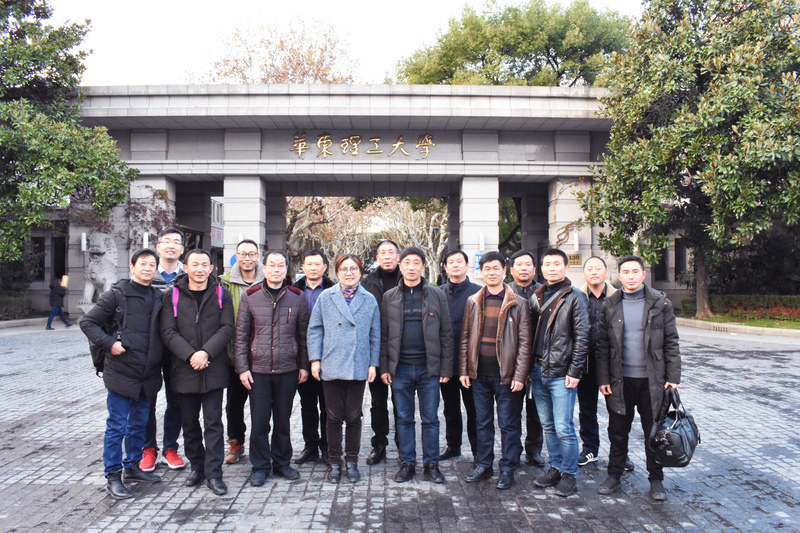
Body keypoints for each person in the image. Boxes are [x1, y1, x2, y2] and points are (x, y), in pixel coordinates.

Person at [596, 255, 681, 501]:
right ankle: (614, 475)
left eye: (635, 272)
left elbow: (671, 342)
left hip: (652, 381)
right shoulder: (610, 305)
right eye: (626, 272)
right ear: (619, 276)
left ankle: (656, 480)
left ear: (644, 274)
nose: (631, 276)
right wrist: (603, 379)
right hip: (619, 380)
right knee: (618, 431)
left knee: (653, 432)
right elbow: (602, 346)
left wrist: (673, 376)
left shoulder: (660, 303)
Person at [80, 249, 164, 500]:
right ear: (132, 266)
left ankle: (133, 466)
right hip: (121, 370)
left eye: (152, 265)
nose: (147, 268)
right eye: (143, 264)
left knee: (139, 424)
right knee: (117, 426)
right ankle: (113, 475)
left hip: (148, 372)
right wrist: (109, 344)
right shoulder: (116, 295)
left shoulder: (159, 297)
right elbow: (87, 323)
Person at [160, 249, 235, 496]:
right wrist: (191, 355)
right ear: (185, 268)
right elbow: (168, 332)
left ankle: (214, 474)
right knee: (189, 423)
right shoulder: (172, 295)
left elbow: (227, 327)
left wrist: (206, 353)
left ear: (211, 268)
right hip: (183, 369)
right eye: (195, 264)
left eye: (204, 264)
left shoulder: (221, 293)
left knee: (213, 423)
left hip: (213, 368)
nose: (200, 269)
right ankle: (197, 467)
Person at [234, 250, 310, 486]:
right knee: (259, 421)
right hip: (258, 370)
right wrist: (242, 368)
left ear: (286, 269)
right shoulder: (250, 296)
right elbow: (241, 336)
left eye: (281, 266)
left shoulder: (297, 297)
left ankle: (282, 462)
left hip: (288, 369)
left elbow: (304, 335)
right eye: (272, 265)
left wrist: (304, 366)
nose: (276, 270)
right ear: (264, 268)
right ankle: (260, 466)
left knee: (283, 420)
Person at [380, 247, 453, 484]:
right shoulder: (389, 296)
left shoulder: (437, 295)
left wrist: (445, 368)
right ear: (400, 266)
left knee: (430, 418)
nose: (411, 267)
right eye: (407, 263)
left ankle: (431, 464)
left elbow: (446, 333)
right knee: (403, 418)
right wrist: (385, 367)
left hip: (428, 369)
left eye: (416, 263)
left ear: (423, 266)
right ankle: (407, 463)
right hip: (400, 368)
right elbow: (384, 334)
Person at [460, 252, 532, 490]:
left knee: (509, 424)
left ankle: (508, 468)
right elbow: (465, 338)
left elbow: (525, 343)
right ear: (481, 272)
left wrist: (520, 375)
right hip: (479, 375)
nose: (491, 273)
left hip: (506, 376)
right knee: (482, 422)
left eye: (496, 268)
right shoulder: (473, 301)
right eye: (487, 269)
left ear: (504, 271)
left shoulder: (518, 303)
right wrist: (464, 370)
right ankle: (484, 464)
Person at [307, 254, 381, 484]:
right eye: (344, 269)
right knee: (333, 416)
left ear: (361, 272)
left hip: (358, 363)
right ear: (336, 272)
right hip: (332, 362)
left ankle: (351, 461)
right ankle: (335, 462)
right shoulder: (326, 297)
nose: (349, 273)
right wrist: (315, 359)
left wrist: (373, 363)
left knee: (354, 416)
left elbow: (375, 334)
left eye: (353, 269)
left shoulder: (369, 299)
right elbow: (315, 329)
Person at [529, 248, 589, 497]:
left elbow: (583, 336)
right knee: (548, 425)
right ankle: (555, 467)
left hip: (562, 373)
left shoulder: (576, 297)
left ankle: (569, 474)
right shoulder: (537, 296)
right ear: (541, 269)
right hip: (538, 370)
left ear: (566, 267)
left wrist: (575, 371)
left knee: (564, 427)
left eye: (557, 264)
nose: (552, 268)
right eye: (547, 264)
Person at [141, 227, 186, 473]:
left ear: (182, 249)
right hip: (148, 349)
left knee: (176, 400)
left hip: (177, 350)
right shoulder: (146, 274)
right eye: (166, 241)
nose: (171, 245)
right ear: (158, 247)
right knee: (146, 399)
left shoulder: (188, 278)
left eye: (176, 242)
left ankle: (171, 447)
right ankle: (148, 448)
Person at [578, 256, 625, 469]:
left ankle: (620, 454)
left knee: (617, 411)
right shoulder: (576, 297)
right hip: (585, 362)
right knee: (587, 409)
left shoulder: (619, 298)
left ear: (606, 272)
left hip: (612, 363)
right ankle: (590, 449)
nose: (594, 272)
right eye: (589, 268)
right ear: (584, 273)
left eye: (598, 268)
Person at [220, 239, 264, 465]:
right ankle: (236, 443)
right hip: (233, 354)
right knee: (234, 404)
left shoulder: (269, 280)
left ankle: (261, 446)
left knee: (261, 405)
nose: (247, 258)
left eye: (252, 254)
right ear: (236, 256)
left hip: (263, 355)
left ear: (258, 256)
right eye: (243, 254)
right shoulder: (224, 283)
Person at [360, 239, 402, 465]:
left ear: (398, 256)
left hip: (401, 352)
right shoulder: (367, 282)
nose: (387, 256)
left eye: (391, 252)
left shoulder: (407, 278)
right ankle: (379, 444)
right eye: (382, 253)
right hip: (375, 350)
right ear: (377, 258)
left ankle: (404, 444)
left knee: (401, 402)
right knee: (378, 402)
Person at [437, 250, 481, 462]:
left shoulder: (478, 292)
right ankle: (453, 445)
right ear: (445, 268)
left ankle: (478, 450)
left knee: (474, 409)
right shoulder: (437, 293)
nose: (455, 265)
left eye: (459, 261)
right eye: (450, 262)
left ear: (467, 265)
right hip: (446, 361)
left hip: (471, 362)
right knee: (450, 408)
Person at [293, 249, 335, 465]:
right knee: (307, 405)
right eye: (308, 264)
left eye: (317, 264)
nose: (312, 268)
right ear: (303, 267)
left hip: (328, 356)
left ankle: (327, 447)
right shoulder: (294, 291)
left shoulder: (333, 290)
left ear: (324, 267)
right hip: (302, 356)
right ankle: (310, 446)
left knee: (328, 406)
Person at [507, 250, 544, 467]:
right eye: (519, 265)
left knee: (536, 411)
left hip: (538, 360)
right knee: (511, 411)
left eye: (528, 264)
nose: (523, 268)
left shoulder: (544, 292)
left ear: (534, 269)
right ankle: (513, 450)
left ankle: (534, 450)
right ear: (511, 270)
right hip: (512, 362)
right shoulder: (505, 292)